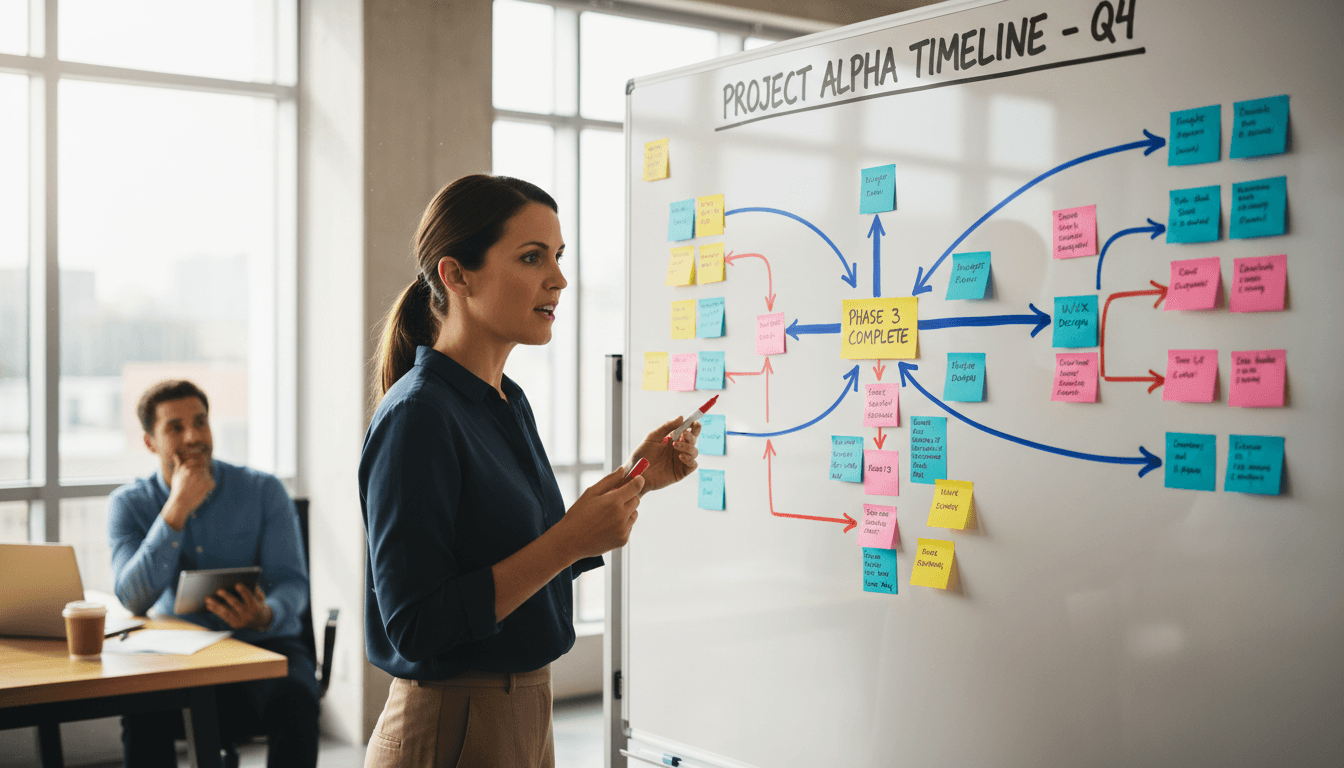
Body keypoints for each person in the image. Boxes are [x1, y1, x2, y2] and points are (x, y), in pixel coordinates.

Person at [360, 174, 700, 768]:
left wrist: (639, 478)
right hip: (452, 724)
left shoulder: (504, 400)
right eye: (531, 257)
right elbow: (415, 625)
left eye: (559, 257)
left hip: (523, 712)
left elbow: (518, 558)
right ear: (456, 274)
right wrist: (571, 541)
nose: (559, 280)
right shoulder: (419, 415)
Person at [108, 379, 319, 768]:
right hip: (175, 654)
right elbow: (132, 597)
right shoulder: (128, 504)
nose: (193, 436)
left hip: (262, 643)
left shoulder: (263, 490)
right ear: (150, 442)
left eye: (201, 422)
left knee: (297, 697)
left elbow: (291, 581)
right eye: (175, 427)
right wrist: (176, 509)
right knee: (142, 713)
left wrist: (265, 613)